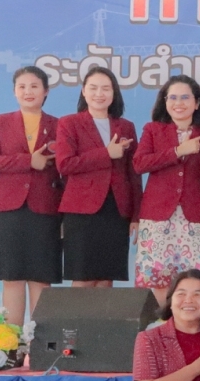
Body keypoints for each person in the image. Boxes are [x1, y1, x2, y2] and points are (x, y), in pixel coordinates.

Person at [0, 65, 61, 326]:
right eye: (22, 86)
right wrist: (27, 161)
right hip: (9, 210)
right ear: (14, 91)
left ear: (46, 91)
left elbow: (65, 169)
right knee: (11, 277)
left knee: (41, 279)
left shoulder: (59, 125)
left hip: (46, 208)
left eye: (34, 86)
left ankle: (40, 341)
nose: (28, 91)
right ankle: (11, 341)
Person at [131, 75, 200, 308]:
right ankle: (162, 327)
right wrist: (178, 151)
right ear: (165, 102)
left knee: (195, 283)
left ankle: (190, 328)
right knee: (157, 281)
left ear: (197, 103)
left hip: (196, 217)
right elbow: (139, 164)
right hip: (157, 218)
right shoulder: (153, 130)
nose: (179, 103)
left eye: (185, 97)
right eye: (173, 97)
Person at [55, 65, 138, 288]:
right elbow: (65, 164)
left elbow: (133, 174)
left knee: (106, 278)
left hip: (116, 209)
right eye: (93, 88)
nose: (99, 94)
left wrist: (136, 215)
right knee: (83, 278)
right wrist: (106, 154)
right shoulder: (69, 123)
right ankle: (75, 315)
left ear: (114, 93)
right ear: (84, 91)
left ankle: (103, 315)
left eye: (105, 88)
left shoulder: (126, 126)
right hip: (82, 210)